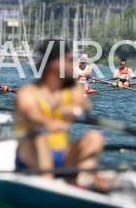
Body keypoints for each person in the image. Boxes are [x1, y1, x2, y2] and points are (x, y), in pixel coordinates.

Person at [14, 40, 104, 184]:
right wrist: (48, 122)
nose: (73, 65)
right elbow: (31, 114)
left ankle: (82, 184)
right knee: (40, 136)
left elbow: (85, 107)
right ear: (54, 63)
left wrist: (74, 110)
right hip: (30, 159)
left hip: (61, 156)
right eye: (69, 60)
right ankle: (47, 182)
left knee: (95, 138)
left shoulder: (72, 89)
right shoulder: (28, 92)